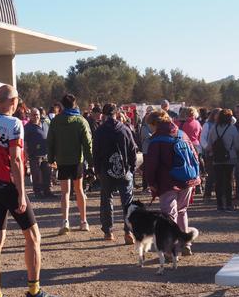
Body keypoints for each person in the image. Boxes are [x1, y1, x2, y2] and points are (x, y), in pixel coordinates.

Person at [0, 85, 61, 297]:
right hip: (10, 186)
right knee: (34, 237)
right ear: (12, 101)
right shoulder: (15, 124)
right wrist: (22, 192)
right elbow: (16, 160)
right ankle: (34, 292)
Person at [142, 110, 200, 254]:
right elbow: (195, 156)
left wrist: (151, 183)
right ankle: (186, 244)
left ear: (155, 124)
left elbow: (151, 165)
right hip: (187, 180)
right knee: (182, 212)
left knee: (168, 216)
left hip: (167, 182)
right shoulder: (182, 134)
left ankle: (170, 249)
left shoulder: (156, 140)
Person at [47, 93, 93, 234]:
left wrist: (50, 158)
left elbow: (50, 141)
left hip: (62, 161)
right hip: (77, 161)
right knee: (79, 190)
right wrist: (91, 162)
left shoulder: (55, 121)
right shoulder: (81, 121)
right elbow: (87, 143)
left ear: (62, 105)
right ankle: (83, 221)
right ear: (75, 104)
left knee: (65, 192)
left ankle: (65, 221)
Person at [92, 103, 137, 243]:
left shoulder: (99, 131)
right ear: (116, 113)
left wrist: (97, 170)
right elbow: (132, 150)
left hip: (106, 170)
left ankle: (108, 232)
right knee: (127, 202)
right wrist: (132, 168)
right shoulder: (124, 129)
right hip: (124, 171)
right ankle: (128, 232)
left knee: (106, 200)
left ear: (104, 115)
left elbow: (96, 153)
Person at [205, 109, 239, 212]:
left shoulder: (213, 128)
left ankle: (220, 205)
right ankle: (229, 205)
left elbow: (209, 144)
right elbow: (237, 144)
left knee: (219, 182)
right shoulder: (232, 129)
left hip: (217, 158)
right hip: (230, 157)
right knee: (228, 181)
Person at [24, 107, 53, 198]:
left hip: (46, 153)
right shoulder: (27, 127)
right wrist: (25, 153)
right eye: (34, 115)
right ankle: (37, 192)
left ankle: (47, 191)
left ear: (40, 115)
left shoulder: (45, 124)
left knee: (47, 173)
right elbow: (24, 142)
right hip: (34, 155)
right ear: (30, 116)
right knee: (36, 174)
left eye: (37, 114)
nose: (36, 116)